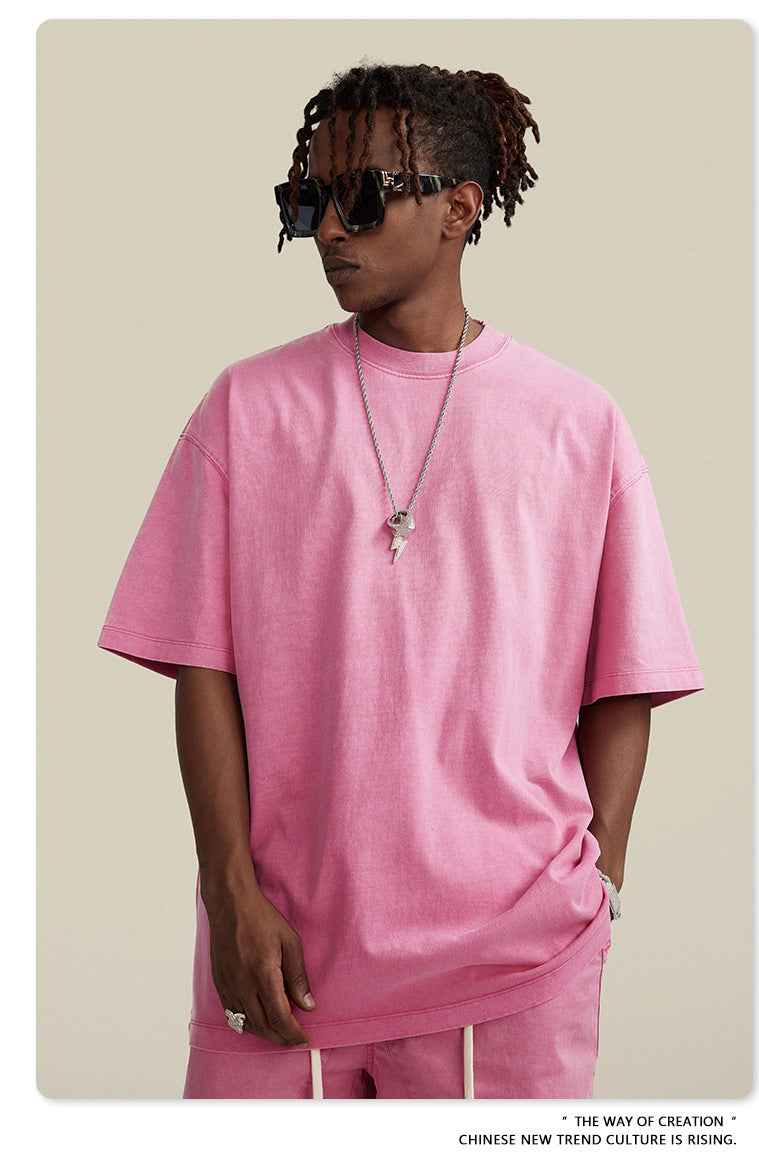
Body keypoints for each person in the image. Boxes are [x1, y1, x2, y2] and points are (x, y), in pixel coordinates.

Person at [98, 62, 704, 1100]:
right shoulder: (246, 410)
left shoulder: (576, 423)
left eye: (363, 197)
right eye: (307, 200)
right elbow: (203, 671)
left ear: (459, 209)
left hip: (515, 968)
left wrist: (596, 886)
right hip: (282, 963)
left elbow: (625, 682)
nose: (329, 228)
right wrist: (230, 894)